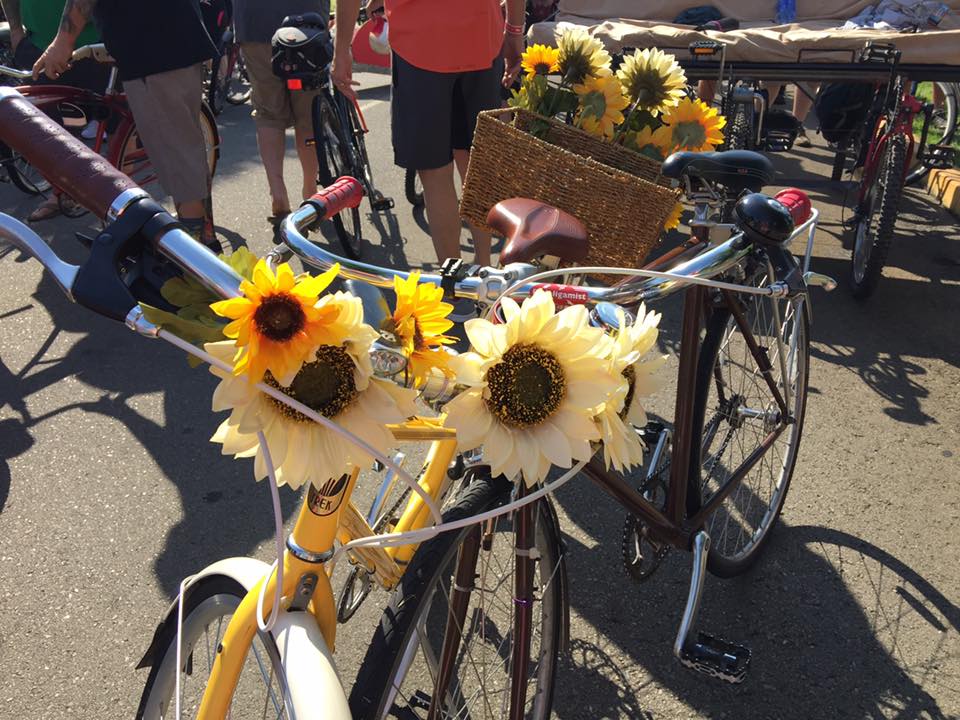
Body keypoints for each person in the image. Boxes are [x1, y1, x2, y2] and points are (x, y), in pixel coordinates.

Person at [332, 0, 524, 267]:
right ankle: (486, 272)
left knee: (435, 176)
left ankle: (455, 291)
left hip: (419, 45)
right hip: (482, 36)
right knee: (478, 168)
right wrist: (514, 30)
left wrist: (342, 49)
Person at [33, 0, 221, 250]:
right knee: (185, 150)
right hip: (171, 39)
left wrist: (62, 42)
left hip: (151, 48)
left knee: (177, 155)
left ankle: (196, 258)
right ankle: (202, 241)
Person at [232, 0, 326, 239]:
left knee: (268, 113)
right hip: (306, 20)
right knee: (308, 115)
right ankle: (310, 191)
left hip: (255, 22)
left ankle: (278, 194)